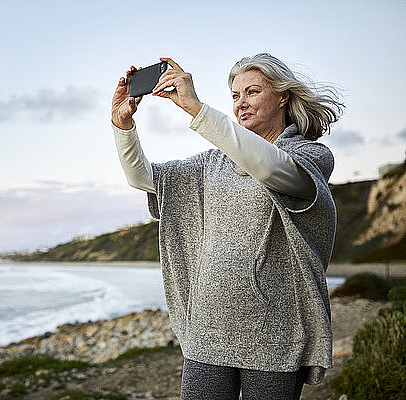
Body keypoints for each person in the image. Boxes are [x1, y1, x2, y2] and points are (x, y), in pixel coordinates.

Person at [110, 54, 344, 400]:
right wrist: (123, 127)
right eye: (235, 96)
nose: (241, 103)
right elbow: (144, 178)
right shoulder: (212, 163)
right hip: (208, 333)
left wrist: (196, 109)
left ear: (283, 97)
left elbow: (268, 168)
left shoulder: (310, 155)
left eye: (252, 92)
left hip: (275, 335)